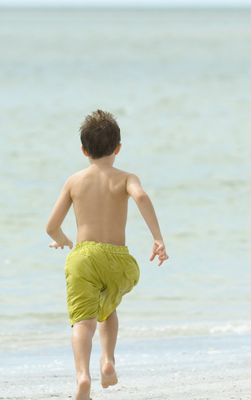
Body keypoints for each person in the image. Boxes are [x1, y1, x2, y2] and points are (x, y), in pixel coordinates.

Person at [46, 109, 168, 400]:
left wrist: (63, 240)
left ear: (83, 150)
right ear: (118, 148)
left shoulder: (74, 181)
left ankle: (83, 376)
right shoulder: (126, 177)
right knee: (109, 307)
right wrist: (157, 237)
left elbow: (51, 226)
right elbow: (141, 196)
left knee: (83, 321)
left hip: (83, 257)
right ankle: (108, 360)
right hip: (118, 259)